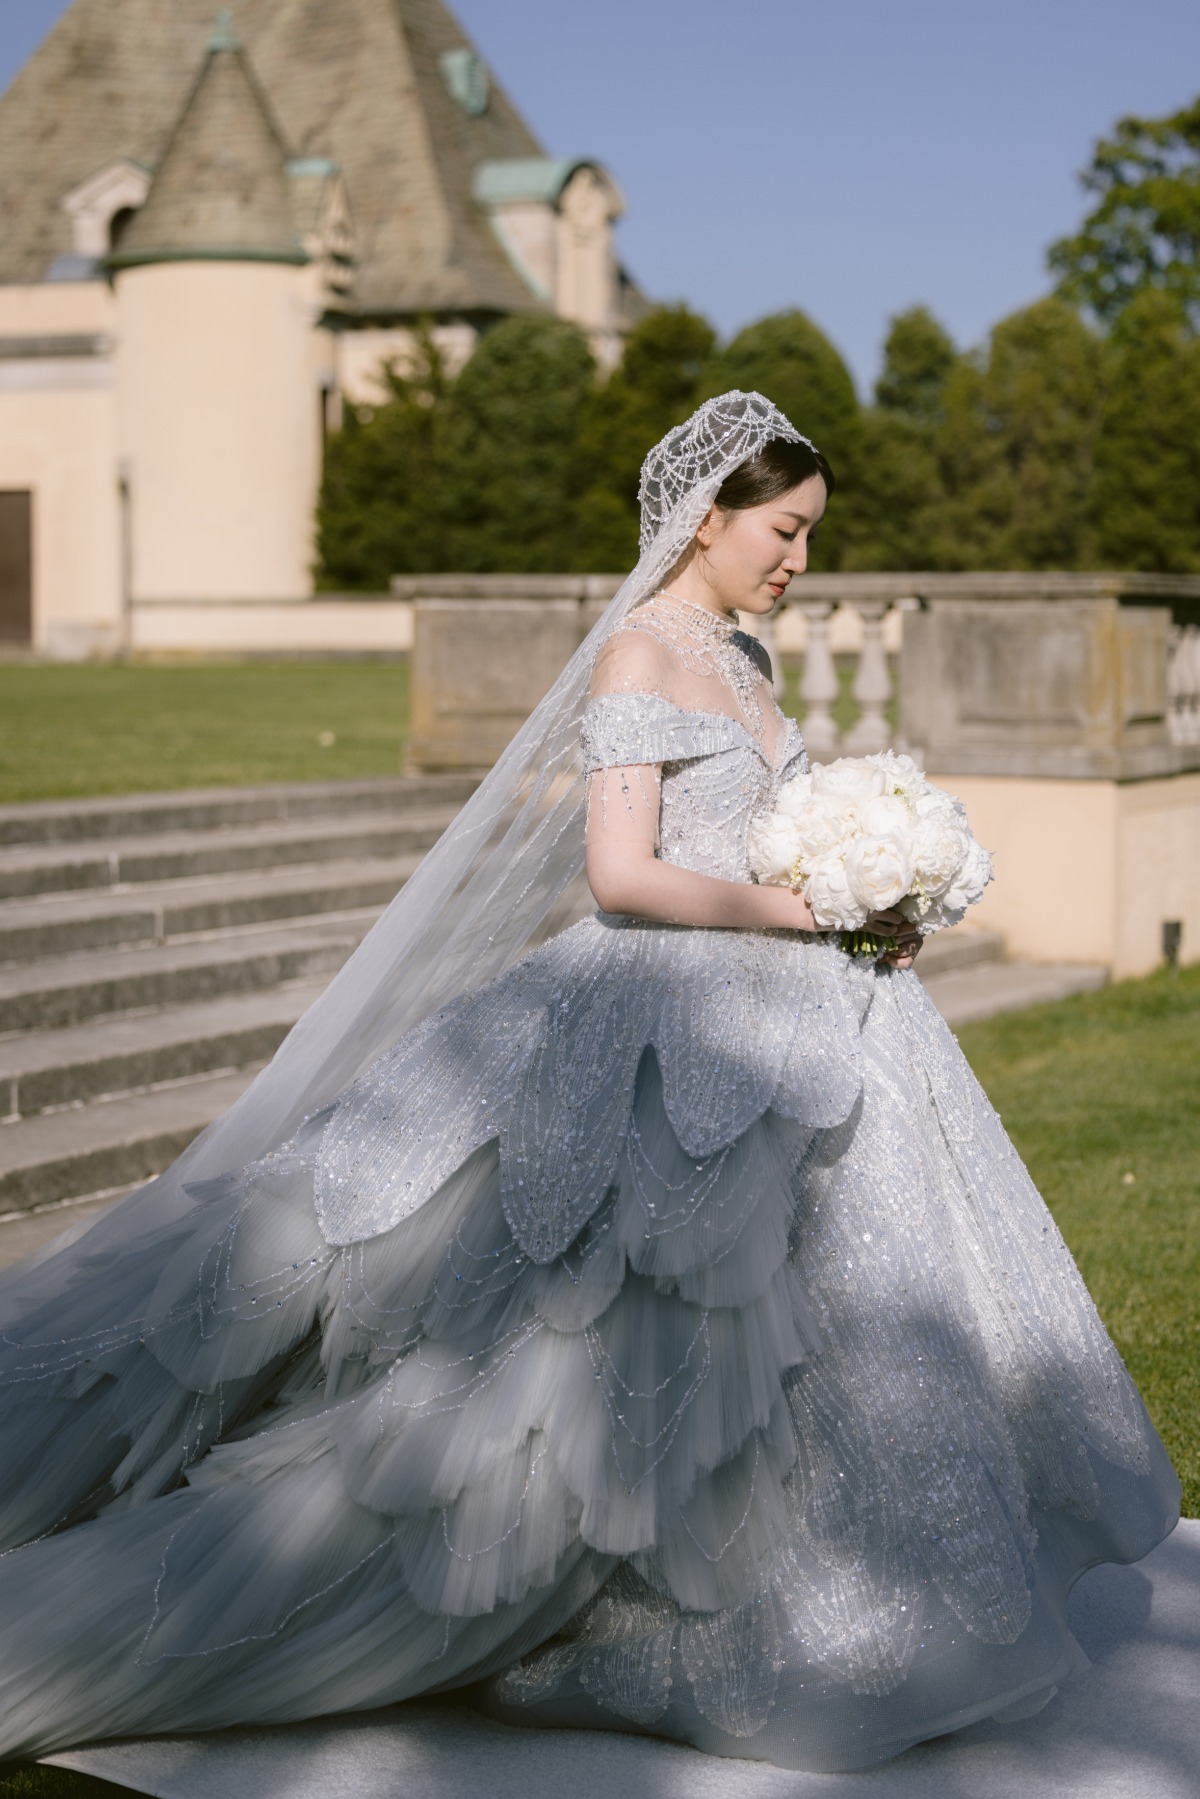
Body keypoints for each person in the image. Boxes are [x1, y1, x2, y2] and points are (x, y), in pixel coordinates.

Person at [0, 394, 1179, 1774]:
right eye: (786, 531)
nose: (800, 561)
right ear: (709, 515)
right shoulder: (643, 652)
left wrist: (857, 887)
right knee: (605, 1321)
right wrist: (811, 913)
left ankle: (813, 1583)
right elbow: (620, 873)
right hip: (663, 1003)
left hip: (790, 1006)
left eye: (809, 537)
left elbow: (752, 830)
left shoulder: (745, 656)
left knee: (809, 1305)